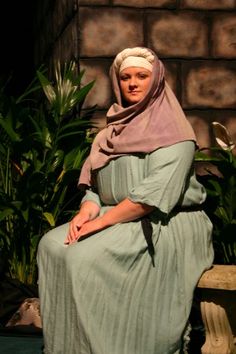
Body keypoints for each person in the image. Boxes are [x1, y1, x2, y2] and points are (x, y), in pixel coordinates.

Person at [37, 47, 214, 354]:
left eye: (142, 76)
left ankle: (115, 344)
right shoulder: (110, 134)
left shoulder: (175, 133)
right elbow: (96, 186)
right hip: (115, 215)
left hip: (163, 221)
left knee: (82, 259)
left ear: (156, 81)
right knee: (51, 245)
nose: (133, 83)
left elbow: (151, 197)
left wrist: (101, 222)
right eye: (125, 77)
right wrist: (87, 211)